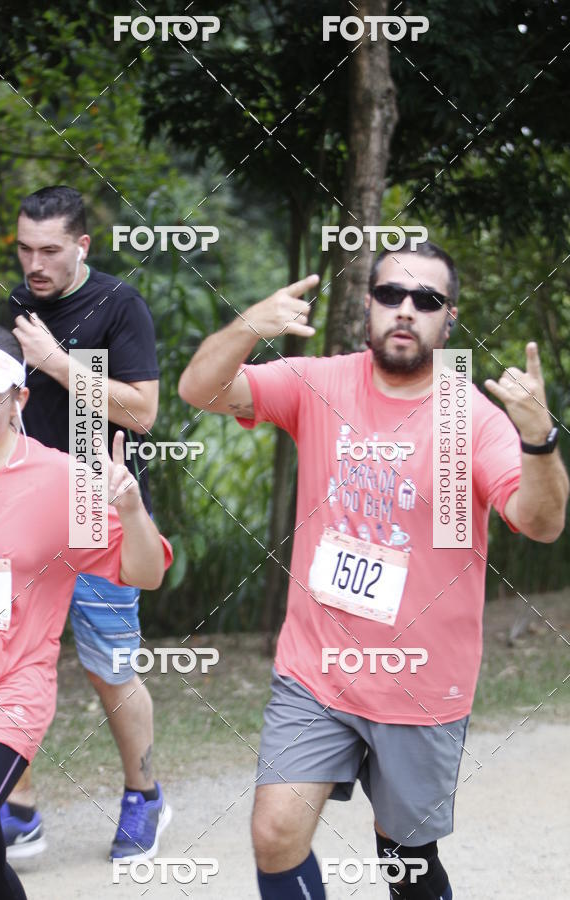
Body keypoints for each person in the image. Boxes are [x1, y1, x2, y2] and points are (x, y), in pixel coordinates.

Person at [178, 240, 568, 899]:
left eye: (427, 299)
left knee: (405, 858)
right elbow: (199, 390)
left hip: (422, 683)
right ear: (368, 304)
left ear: (450, 318)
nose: (406, 309)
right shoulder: (318, 383)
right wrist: (247, 326)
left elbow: (542, 522)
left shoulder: (470, 417)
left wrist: (540, 440)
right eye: (391, 294)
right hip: (316, 671)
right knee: (275, 834)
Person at [0, 323, 173, 900]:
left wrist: (130, 509)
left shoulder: (62, 481)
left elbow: (146, 572)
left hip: (5, 697)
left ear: (18, 400)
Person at [0, 185, 166, 862]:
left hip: (100, 515)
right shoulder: (16, 306)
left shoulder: (120, 305)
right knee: (2, 664)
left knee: (109, 668)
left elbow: (143, 411)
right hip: (22, 519)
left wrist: (57, 363)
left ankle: (144, 795)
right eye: (24, 249)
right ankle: (17, 808)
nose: (34, 264)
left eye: (49, 250)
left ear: (82, 245)